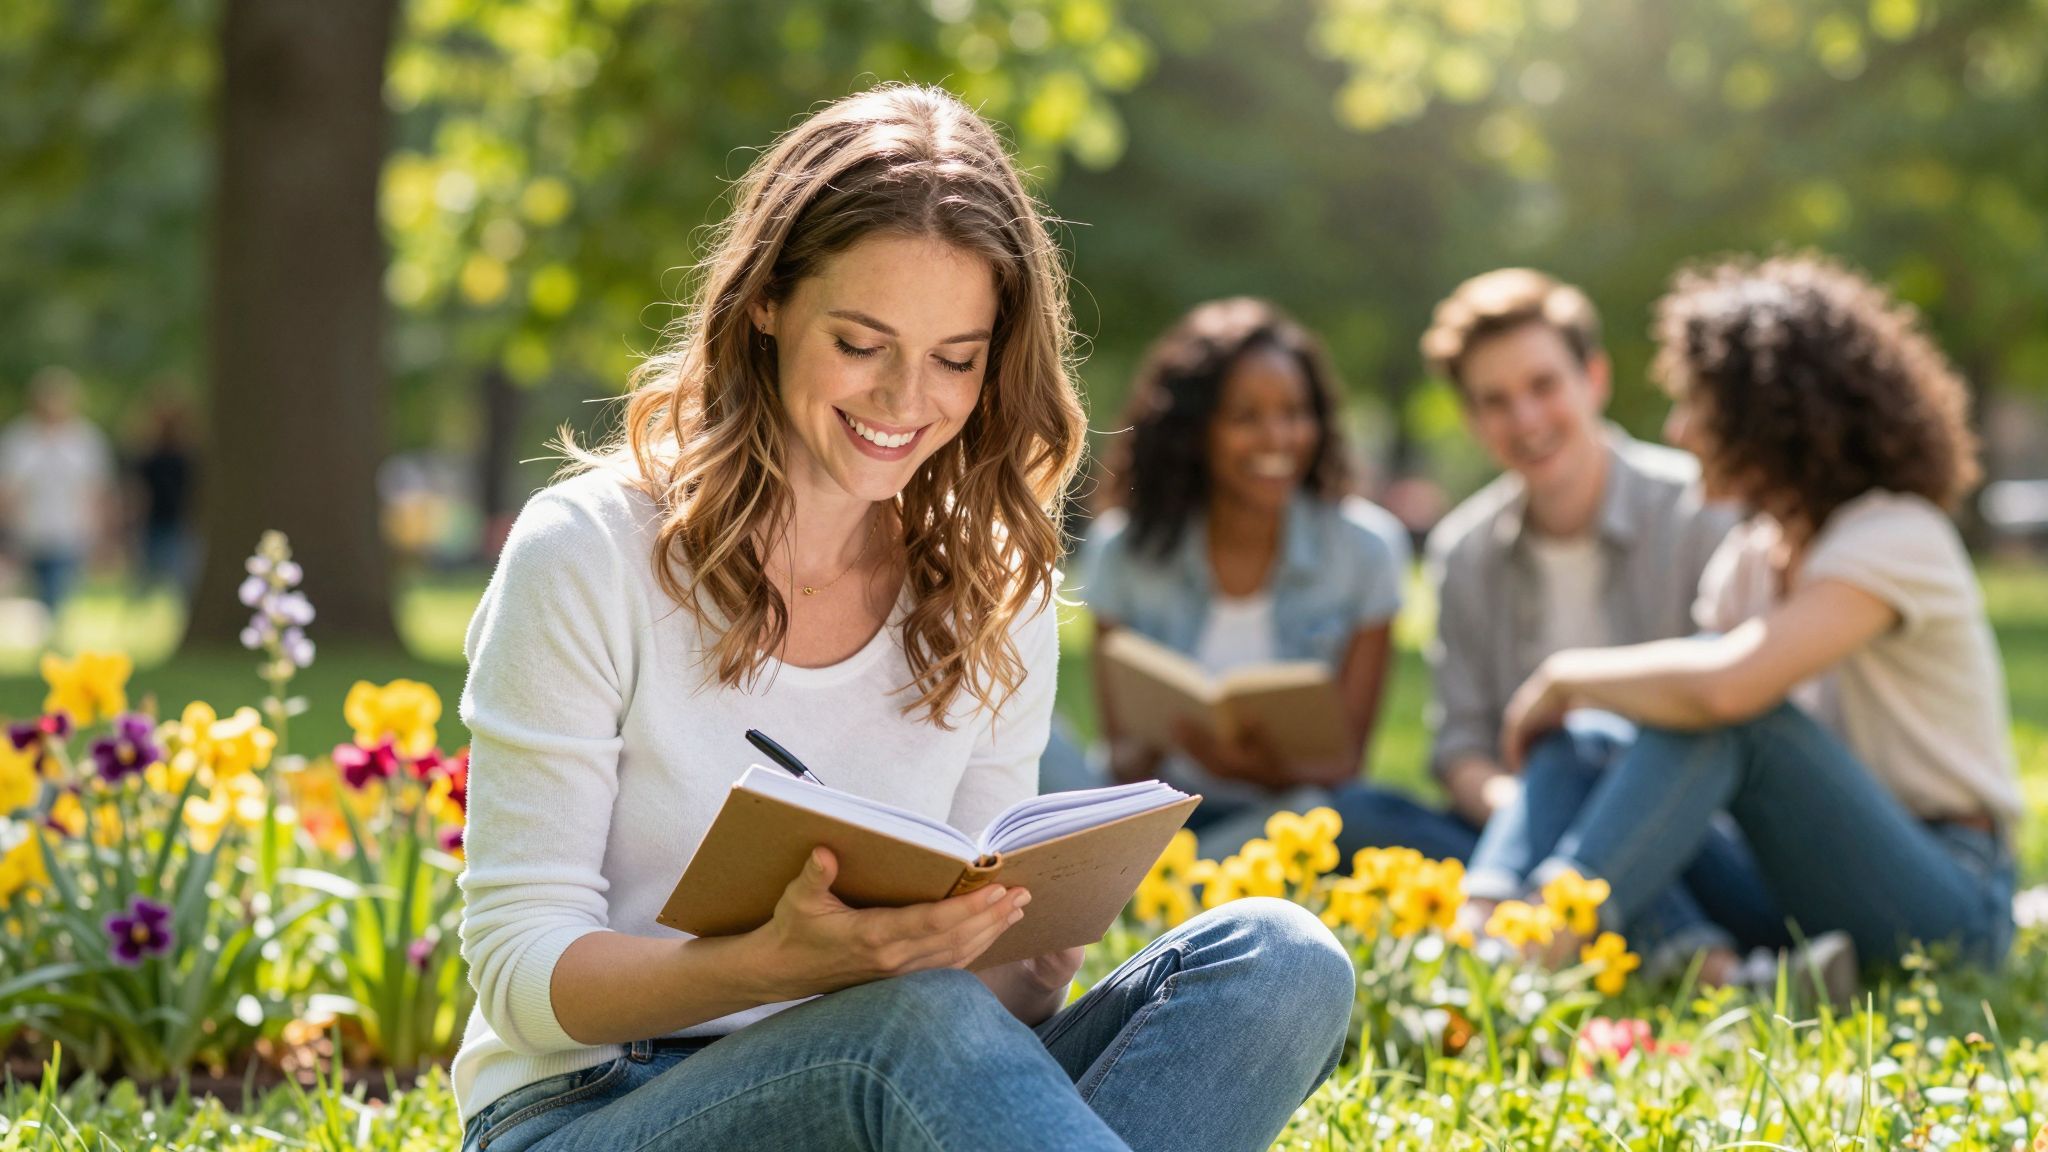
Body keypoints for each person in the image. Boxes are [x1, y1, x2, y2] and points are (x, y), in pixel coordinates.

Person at [453, 86, 1355, 1152]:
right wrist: (773, 968)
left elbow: (977, 1020)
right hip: (594, 1108)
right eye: (861, 342)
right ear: (767, 302)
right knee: (909, 1023)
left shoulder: (993, 584)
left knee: (1280, 960)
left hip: (893, 1082)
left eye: (954, 358)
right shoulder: (589, 550)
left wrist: (1020, 957)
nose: (902, 401)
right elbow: (519, 971)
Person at [1466, 253, 2019, 978]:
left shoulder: (1896, 535)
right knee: (1589, 742)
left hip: (1945, 899)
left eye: (1698, 406)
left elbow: (1725, 691)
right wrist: (1581, 710)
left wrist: (1565, 675)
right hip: (1802, 880)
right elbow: (1678, 725)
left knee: (1734, 712)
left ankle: (1531, 952)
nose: (1680, 429)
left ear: (1767, 418)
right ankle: (1491, 925)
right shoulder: (1749, 561)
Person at [1077, 297, 1410, 858]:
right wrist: (1160, 743)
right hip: (1159, 817)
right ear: (1196, 431)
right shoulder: (1124, 551)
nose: (1278, 438)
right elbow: (1120, 760)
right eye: (1246, 417)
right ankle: (1178, 875)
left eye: (1294, 412)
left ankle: (1181, 881)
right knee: (1036, 759)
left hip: (1289, 820)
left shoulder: (1366, 550)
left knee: (1350, 814)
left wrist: (1260, 770)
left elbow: (1345, 764)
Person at [0, 368, 114, 616]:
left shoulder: (86, 439)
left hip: (72, 530)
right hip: (29, 531)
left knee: (57, 590)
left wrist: (102, 532)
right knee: (36, 592)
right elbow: (8, 489)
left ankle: (51, 633)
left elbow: (97, 489)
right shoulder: (19, 439)